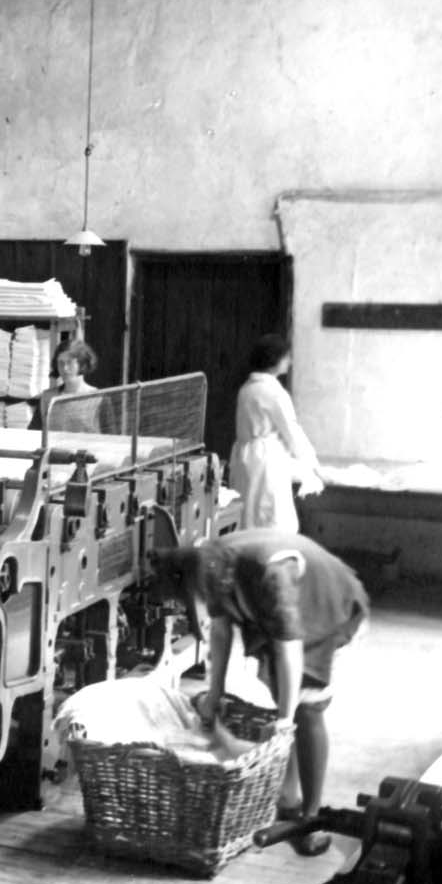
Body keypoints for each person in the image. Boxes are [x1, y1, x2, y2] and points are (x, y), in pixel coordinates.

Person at [153, 530, 368, 856]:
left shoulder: (269, 575)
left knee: (306, 706)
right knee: (281, 690)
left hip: (329, 606)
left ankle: (310, 820)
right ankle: (288, 801)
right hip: (288, 610)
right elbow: (221, 631)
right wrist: (214, 694)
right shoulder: (207, 565)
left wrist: (284, 721)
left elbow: (289, 650)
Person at [231, 334, 326, 532]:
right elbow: (291, 432)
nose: (289, 362)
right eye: (287, 357)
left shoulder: (246, 389)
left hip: (245, 458)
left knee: (248, 515)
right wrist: (311, 462)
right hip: (266, 461)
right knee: (271, 517)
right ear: (274, 359)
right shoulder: (273, 393)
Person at [42, 338, 104, 432]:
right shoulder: (48, 398)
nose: (65, 368)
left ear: (82, 364)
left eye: (70, 362)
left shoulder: (99, 398)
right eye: (61, 363)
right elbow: (34, 434)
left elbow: (111, 436)